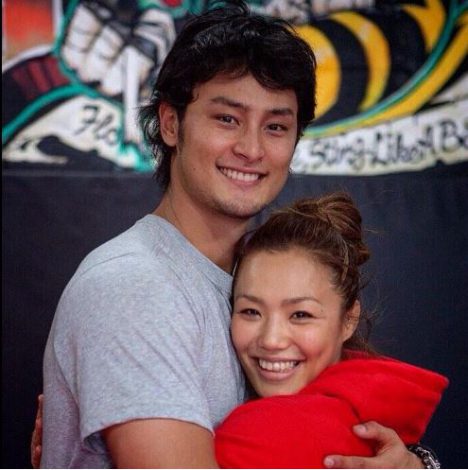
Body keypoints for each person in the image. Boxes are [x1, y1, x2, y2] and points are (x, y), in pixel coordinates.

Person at [38, 1, 434, 468]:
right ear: (171, 123)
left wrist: (416, 463)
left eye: (276, 126)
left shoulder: (262, 272)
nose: (251, 148)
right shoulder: (134, 287)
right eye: (227, 118)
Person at [213, 192, 448, 467]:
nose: (271, 339)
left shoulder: (257, 433)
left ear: (348, 320)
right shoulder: (377, 403)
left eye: (301, 315)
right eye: (251, 311)